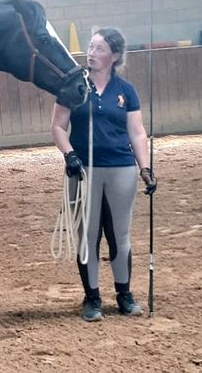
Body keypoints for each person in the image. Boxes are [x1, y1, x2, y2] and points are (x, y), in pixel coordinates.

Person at [50, 27, 156, 321]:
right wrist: (69, 154)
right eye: (91, 47)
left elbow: (136, 132)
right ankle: (92, 298)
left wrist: (145, 167)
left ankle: (124, 294)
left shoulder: (126, 91)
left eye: (99, 49)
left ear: (115, 56)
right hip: (85, 170)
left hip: (121, 167)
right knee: (89, 235)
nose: (91, 53)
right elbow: (58, 127)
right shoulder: (74, 87)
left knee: (119, 236)